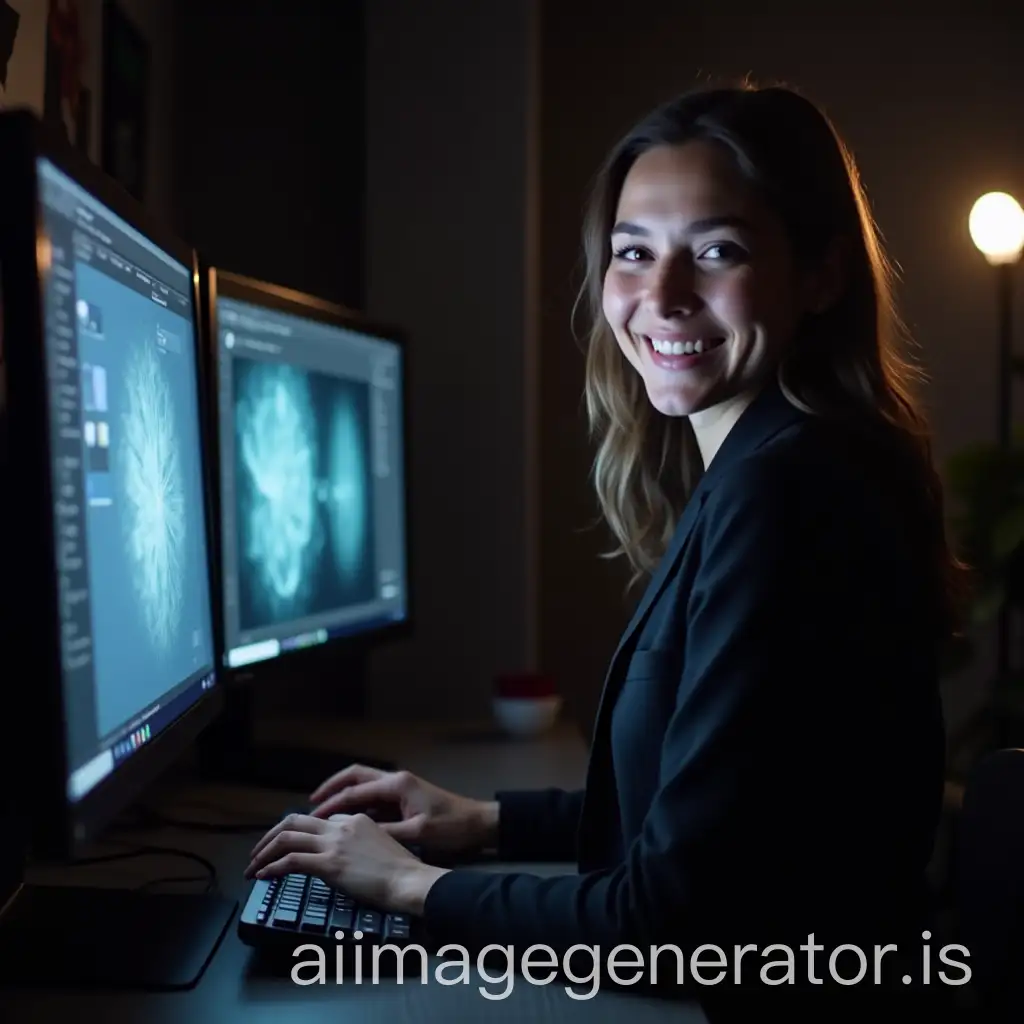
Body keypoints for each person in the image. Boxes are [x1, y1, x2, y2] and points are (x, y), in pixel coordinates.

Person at [245, 82, 966, 1018]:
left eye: (718, 251)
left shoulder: (786, 493)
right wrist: (488, 822)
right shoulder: (784, 461)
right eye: (634, 253)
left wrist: (411, 887)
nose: (661, 297)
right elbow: (722, 810)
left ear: (822, 274)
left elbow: (674, 920)